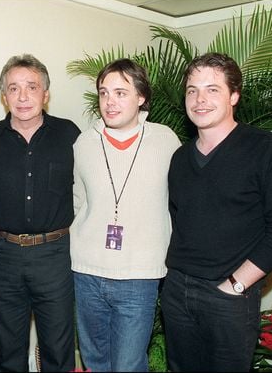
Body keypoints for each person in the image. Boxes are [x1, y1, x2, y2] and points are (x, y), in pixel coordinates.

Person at [161, 52, 272, 372]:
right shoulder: (179, 158)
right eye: (192, 90)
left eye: (212, 89)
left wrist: (236, 285)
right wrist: (171, 283)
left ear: (234, 96)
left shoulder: (266, 149)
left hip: (229, 297)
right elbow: (178, 220)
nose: (200, 99)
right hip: (177, 292)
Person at [70, 58, 181, 372]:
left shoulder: (166, 141)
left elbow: (177, 204)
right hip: (87, 270)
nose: (110, 102)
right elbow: (79, 202)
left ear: (141, 97)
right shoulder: (84, 143)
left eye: (120, 92)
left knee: (129, 365)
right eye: (104, 93)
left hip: (139, 275)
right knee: (95, 361)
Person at [0, 54, 81, 372]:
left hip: (55, 256)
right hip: (4, 256)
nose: (23, 97)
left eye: (32, 87)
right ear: (3, 95)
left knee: (58, 350)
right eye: (14, 88)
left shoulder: (70, 135)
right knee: (10, 351)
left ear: (45, 94)